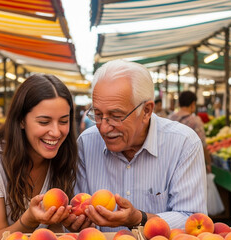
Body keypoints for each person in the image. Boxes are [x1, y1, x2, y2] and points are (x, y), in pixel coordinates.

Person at [64, 60, 206, 231]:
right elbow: (79, 209)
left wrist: (139, 218)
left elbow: (192, 218)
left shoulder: (183, 143)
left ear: (146, 111)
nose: (103, 127)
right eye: (98, 114)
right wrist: (76, 221)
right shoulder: (87, 143)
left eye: (116, 116)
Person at [0, 74, 79, 240]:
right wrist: (29, 220)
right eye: (44, 122)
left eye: (63, 121)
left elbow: (52, 231)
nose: (56, 132)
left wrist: (68, 224)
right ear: (21, 120)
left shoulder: (63, 159)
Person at [168, 91, 212, 173]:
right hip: (188, 166)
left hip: (169, 163)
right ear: (193, 104)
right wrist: (208, 163)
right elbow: (202, 144)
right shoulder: (195, 121)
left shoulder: (169, 118)